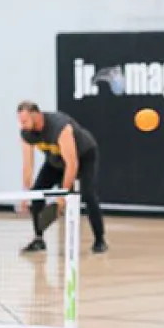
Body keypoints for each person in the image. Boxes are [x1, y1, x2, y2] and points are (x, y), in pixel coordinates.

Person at [16, 101, 108, 254]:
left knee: (87, 194)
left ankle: (100, 240)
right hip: (55, 160)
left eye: (24, 121)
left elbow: (72, 164)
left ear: (36, 115)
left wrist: (62, 196)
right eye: (20, 121)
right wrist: (26, 194)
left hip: (84, 156)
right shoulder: (26, 133)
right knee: (37, 192)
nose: (22, 125)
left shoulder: (60, 127)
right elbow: (27, 164)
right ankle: (38, 239)